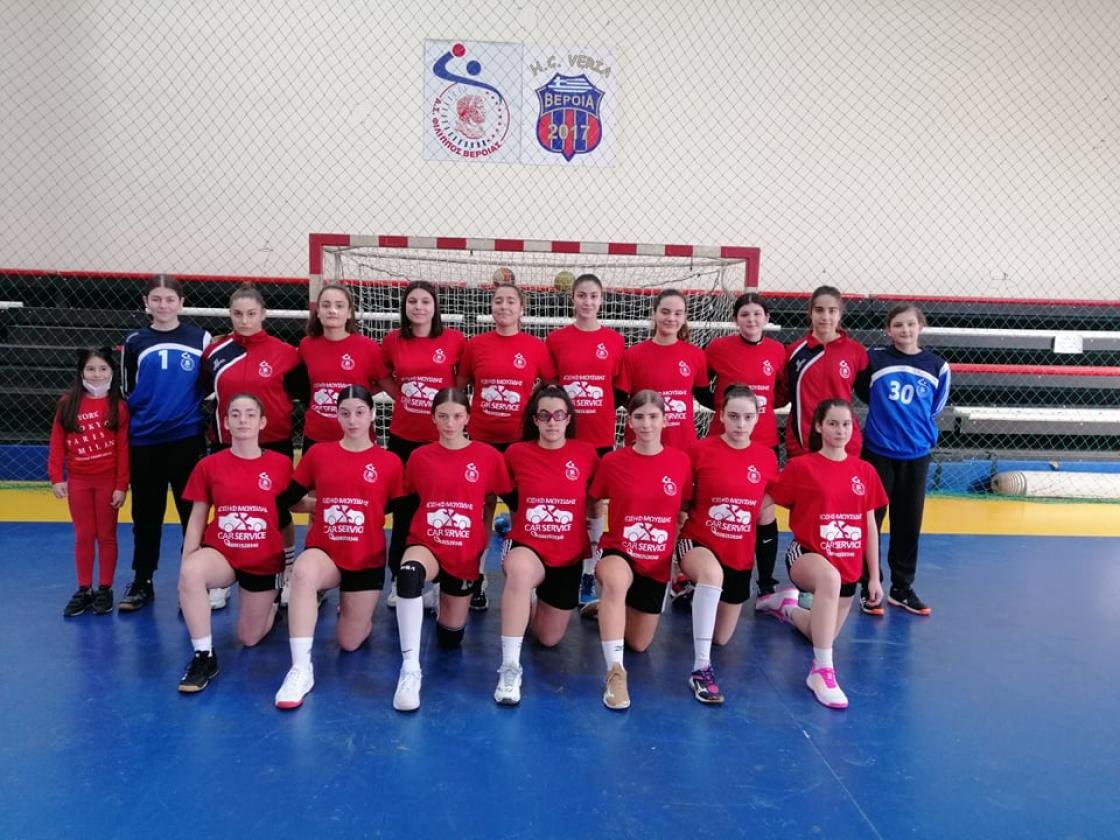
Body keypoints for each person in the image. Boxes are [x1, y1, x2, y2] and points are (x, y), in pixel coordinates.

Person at [273, 386, 405, 710]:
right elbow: (287, 499)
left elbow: (398, 509)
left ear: (372, 415)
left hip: (366, 558)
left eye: (359, 412)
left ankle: (356, 613)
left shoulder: (389, 462)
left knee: (349, 642)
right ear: (337, 416)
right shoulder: (319, 454)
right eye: (345, 413)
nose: (353, 420)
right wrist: (317, 505)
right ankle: (300, 669)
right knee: (303, 571)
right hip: (326, 553)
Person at [757, 399, 887, 710]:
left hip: (849, 567)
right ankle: (821, 672)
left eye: (846, 424)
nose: (840, 430)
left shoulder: (864, 471)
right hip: (806, 555)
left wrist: (874, 576)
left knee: (821, 633)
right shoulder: (802, 467)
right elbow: (763, 502)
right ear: (818, 426)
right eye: (833, 423)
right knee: (829, 579)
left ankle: (787, 607)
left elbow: (869, 526)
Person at [391, 388, 511, 711]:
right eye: (442, 416)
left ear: (467, 418)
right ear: (433, 418)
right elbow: (405, 500)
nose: (449, 423)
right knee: (408, 575)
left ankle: (437, 598)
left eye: (457, 416)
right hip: (426, 542)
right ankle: (410, 669)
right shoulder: (420, 457)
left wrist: (494, 538)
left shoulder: (488, 456)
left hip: (463, 552)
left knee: (450, 639)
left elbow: (502, 498)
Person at [176, 394, 293, 693]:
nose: (243, 420)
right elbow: (197, 516)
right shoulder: (209, 465)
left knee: (249, 638)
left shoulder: (281, 464)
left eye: (250, 414)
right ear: (226, 422)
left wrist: (331, 501)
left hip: (263, 559)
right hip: (222, 554)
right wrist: (187, 563)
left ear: (262, 422)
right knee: (191, 572)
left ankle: (272, 601)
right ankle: (204, 656)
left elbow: (293, 506)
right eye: (236, 414)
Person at [493, 384, 599, 705]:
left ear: (568, 418)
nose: (552, 422)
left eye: (558, 415)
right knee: (520, 573)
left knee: (548, 638)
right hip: (529, 547)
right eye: (544, 415)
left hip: (567, 556)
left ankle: (529, 601)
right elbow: (507, 493)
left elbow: (594, 504)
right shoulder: (516, 454)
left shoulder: (586, 454)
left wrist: (595, 550)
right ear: (535, 419)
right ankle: (510, 667)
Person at [587, 391, 692, 710]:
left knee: (639, 643)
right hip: (618, 550)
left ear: (665, 420)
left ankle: (607, 607)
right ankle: (615, 672)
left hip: (656, 561)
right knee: (616, 582)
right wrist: (593, 547)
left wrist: (676, 559)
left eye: (653, 417)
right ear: (629, 422)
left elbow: (683, 511)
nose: (646, 424)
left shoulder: (680, 462)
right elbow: (592, 500)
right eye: (639, 417)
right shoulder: (612, 462)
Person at [456, 282, 556, 610]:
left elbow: (550, 384)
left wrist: (529, 403)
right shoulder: (476, 345)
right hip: (482, 441)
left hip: (519, 443)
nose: (504, 306)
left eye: (511, 301)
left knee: (521, 509)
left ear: (521, 309)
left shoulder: (535, 346)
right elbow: (461, 386)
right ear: (491, 307)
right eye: (498, 301)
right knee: (480, 509)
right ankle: (476, 575)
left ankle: (525, 580)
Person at [676, 385, 778, 703]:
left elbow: (770, 505)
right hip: (698, 542)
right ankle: (701, 669)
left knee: (721, 638)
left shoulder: (766, 457)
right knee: (712, 576)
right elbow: (680, 504)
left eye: (747, 417)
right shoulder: (699, 451)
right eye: (733, 416)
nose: (740, 424)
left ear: (757, 418)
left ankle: (782, 607)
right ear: (721, 416)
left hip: (739, 555)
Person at [202, 283, 301, 609]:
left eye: (251, 314)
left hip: (273, 444)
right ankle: (221, 577)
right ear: (229, 314)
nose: (244, 320)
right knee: (226, 509)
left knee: (278, 510)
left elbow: (303, 395)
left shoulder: (287, 354)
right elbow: (203, 392)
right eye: (237, 314)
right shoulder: (215, 353)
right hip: (227, 443)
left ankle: (286, 571)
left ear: (263, 314)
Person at [119, 274, 211, 612]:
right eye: (156, 299)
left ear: (181, 303)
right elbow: (127, 390)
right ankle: (142, 580)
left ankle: (194, 581)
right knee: (146, 514)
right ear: (146, 303)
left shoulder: (200, 338)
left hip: (186, 439)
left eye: (170, 299)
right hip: (145, 440)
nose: (163, 305)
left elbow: (207, 386)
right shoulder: (135, 342)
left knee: (191, 514)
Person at [853, 303, 950, 617]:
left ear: (921, 326)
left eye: (910, 324)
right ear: (888, 330)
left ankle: (902, 588)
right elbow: (864, 392)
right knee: (871, 521)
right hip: (878, 453)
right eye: (897, 325)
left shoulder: (937, 366)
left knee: (908, 524)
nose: (905, 330)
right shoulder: (875, 360)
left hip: (916, 455)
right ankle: (869, 587)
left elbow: (935, 407)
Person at [378, 280, 466, 603]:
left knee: (443, 510)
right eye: (412, 301)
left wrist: (448, 411)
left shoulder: (454, 340)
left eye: (425, 301)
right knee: (404, 512)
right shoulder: (392, 341)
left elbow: (461, 381)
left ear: (435, 306)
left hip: (442, 441)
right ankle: (399, 580)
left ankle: (443, 581)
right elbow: (382, 375)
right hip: (403, 438)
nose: (418, 307)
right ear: (405, 306)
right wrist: (401, 397)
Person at [545, 273, 624, 605]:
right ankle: (558, 561)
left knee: (594, 502)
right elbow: (551, 389)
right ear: (573, 298)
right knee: (563, 498)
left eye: (593, 296)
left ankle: (589, 572)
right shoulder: (556, 339)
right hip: (565, 437)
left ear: (602, 299)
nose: (587, 301)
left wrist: (596, 410)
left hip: (599, 434)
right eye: (582, 295)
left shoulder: (615, 340)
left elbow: (618, 389)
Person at [702, 292, 787, 595]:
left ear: (766, 318)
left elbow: (782, 392)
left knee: (764, 511)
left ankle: (766, 583)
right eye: (745, 314)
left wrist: (757, 411)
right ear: (735, 319)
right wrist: (722, 408)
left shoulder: (778, 351)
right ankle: (707, 574)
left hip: (763, 443)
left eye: (757, 314)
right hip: (723, 442)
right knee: (717, 507)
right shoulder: (718, 348)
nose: (751, 320)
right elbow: (700, 385)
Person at [50, 347, 130, 616]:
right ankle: (84, 588)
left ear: (112, 372)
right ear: (81, 372)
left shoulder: (118, 407)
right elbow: (57, 443)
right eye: (91, 369)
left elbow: (123, 449)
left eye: (103, 369)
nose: (97, 374)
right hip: (79, 481)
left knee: (106, 535)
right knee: (84, 535)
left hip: (107, 481)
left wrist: (121, 485)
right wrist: (56, 477)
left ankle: (105, 588)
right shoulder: (67, 403)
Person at [617, 289, 708, 452]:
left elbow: (704, 396)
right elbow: (620, 398)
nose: (671, 318)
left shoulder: (696, 355)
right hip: (642, 446)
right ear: (654, 314)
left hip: (682, 445)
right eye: (665, 312)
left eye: (678, 313)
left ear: (684, 317)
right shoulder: (633, 355)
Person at [784, 285, 868, 459]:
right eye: (819, 310)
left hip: (843, 443)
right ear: (810, 313)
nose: (825, 317)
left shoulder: (856, 352)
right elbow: (782, 394)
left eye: (832, 311)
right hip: (803, 441)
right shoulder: (794, 352)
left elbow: (867, 393)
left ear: (840, 314)